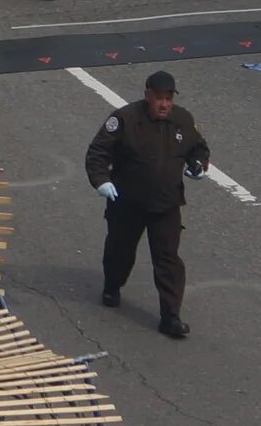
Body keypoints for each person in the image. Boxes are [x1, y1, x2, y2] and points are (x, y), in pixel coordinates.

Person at [85, 72, 212, 339]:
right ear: (148, 96)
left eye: (168, 99)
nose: (164, 104)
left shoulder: (182, 120)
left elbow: (198, 148)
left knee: (168, 260)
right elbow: (98, 153)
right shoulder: (125, 120)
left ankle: (170, 316)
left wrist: (199, 165)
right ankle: (112, 286)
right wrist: (101, 182)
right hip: (127, 203)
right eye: (159, 99)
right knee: (120, 250)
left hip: (166, 206)